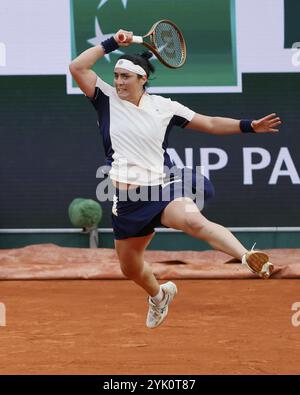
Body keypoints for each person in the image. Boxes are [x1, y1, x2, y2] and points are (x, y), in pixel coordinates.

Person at [69, 29, 282, 329]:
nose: (118, 82)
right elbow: (77, 67)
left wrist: (249, 126)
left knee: (193, 221)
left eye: (125, 77)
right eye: (116, 76)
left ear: (142, 79)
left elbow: (208, 123)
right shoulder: (105, 98)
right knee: (129, 268)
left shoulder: (164, 107)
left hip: (163, 186)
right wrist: (113, 43)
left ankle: (247, 257)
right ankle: (159, 296)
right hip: (130, 201)